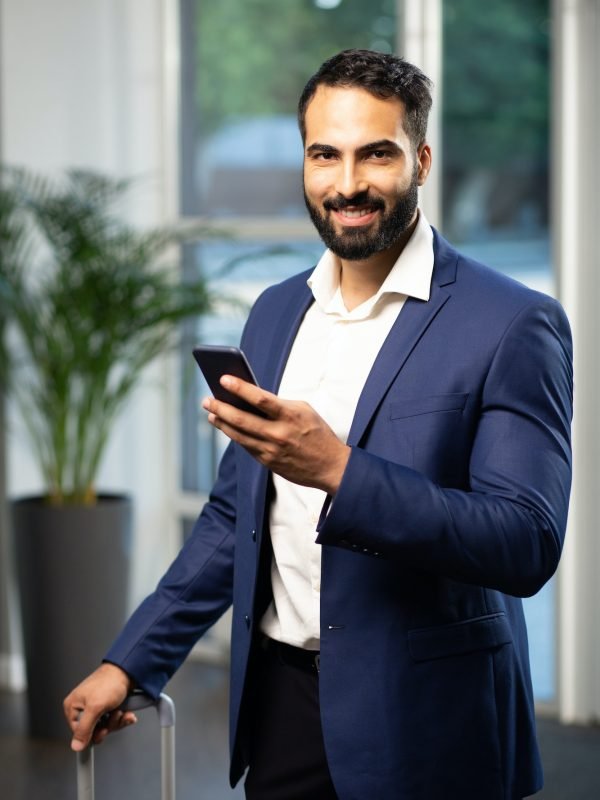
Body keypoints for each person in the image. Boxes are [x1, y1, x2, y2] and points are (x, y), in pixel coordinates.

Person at [64, 49, 573, 800]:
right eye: (324, 155)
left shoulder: (514, 322)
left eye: (377, 155)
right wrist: (132, 660)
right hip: (283, 708)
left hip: (430, 721)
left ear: (422, 159)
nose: (347, 184)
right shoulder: (275, 311)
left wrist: (338, 469)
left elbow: (525, 541)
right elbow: (235, 515)